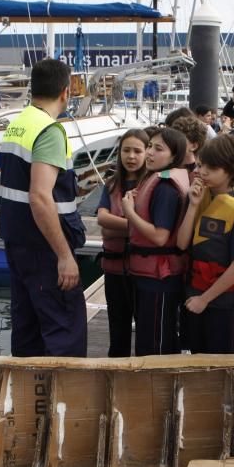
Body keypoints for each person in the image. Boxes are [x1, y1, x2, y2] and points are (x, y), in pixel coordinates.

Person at [0, 58, 87, 357]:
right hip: (45, 249)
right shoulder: (49, 131)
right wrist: (64, 256)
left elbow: (17, 184)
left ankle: (28, 400)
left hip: (18, 242)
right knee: (64, 332)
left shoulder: (18, 124)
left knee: (27, 332)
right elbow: (39, 196)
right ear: (66, 92)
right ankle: (64, 402)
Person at [176, 135, 234, 354]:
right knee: (194, 358)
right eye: (201, 165)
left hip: (220, 302)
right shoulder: (198, 196)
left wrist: (205, 299)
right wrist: (192, 206)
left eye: (211, 168)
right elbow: (182, 244)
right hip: (193, 293)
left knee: (222, 365)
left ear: (231, 171)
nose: (202, 172)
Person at [124, 127, 190, 356]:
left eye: (158, 149)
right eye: (150, 146)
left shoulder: (165, 188)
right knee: (150, 337)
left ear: (174, 157)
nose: (150, 153)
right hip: (149, 275)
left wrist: (129, 212)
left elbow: (160, 237)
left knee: (155, 344)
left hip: (159, 277)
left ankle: (156, 389)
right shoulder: (156, 180)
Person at [96, 129, 150, 357]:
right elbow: (102, 219)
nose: (131, 156)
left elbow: (151, 229)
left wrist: (113, 227)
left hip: (143, 272)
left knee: (145, 330)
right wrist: (133, 226)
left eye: (137, 151)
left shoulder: (151, 184)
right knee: (118, 328)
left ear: (147, 153)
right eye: (126, 150)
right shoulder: (111, 185)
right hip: (115, 271)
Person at [169, 113, 209, 177]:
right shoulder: (166, 164)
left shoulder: (198, 175)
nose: (172, 143)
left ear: (194, 146)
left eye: (179, 140)